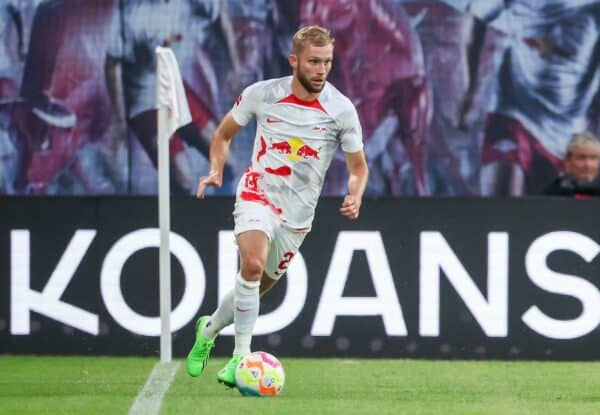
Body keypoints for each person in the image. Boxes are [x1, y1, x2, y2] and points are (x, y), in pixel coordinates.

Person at [186, 25, 369, 387]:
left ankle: (206, 331)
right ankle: (240, 358)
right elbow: (222, 135)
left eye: (327, 62)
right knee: (251, 265)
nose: (321, 69)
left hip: (297, 217)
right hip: (258, 194)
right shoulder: (262, 94)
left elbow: (358, 168)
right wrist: (215, 170)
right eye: (314, 61)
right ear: (294, 61)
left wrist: (355, 193)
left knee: (252, 286)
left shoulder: (341, 110)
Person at [543, 132, 600, 198]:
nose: (588, 165)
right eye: (581, 158)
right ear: (567, 161)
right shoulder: (552, 193)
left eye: (593, 158)